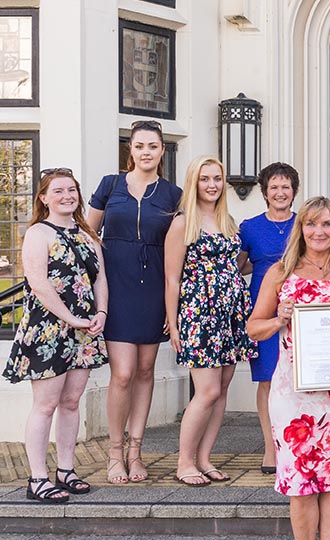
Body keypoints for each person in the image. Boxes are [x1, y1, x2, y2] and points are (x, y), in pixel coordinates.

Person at [247, 196, 330, 540]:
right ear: (300, 228)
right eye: (312, 223)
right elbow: (253, 327)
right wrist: (277, 320)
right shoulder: (280, 274)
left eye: (327, 224)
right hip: (293, 396)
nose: (319, 231)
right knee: (300, 482)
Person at [4, 168, 108, 503]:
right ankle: (37, 478)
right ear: (44, 197)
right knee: (46, 404)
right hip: (48, 330)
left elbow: (99, 279)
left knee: (71, 401)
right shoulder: (38, 233)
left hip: (84, 330)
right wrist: (72, 319)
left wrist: (100, 314)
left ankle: (66, 470)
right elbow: (39, 283)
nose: (67, 196)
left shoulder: (89, 234)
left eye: (72, 190)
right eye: (58, 191)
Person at [87, 120, 182, 484]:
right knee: (122, 373)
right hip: (116, 287)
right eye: (140, 146)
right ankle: (114, 452)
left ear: (161, 151)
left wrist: (171, 306)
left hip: (154, 288)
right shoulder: (110, 186)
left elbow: (181, 247)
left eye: (153, 146)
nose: (146, 152)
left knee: (145, 371)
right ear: (131, 149)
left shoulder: (173, 194)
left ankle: (136, 452)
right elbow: (88, 235)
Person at [164, 155, 257, 486]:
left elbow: (239, 265)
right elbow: (172, 278)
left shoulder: (228, 220)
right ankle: (184, 462)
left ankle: (204, 459)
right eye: (205, 178)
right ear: (194, 182)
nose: (213, 184)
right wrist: (174, 325)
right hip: (199, 314)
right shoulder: (182, 223)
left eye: (217, 178)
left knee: (221, 391)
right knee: (205, 390)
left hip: (231, 315)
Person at [237, 162, 300, 475]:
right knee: (268, 379)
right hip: (263, 308)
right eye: (274, 187)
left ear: (294, 192)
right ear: (264, 192)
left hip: (300, 307)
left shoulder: (305, 224)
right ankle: (270, 447)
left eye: (285, 187)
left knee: (298, 378)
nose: (280, 192)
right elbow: (241, 266)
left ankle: (297, 441)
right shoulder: (249, 227)